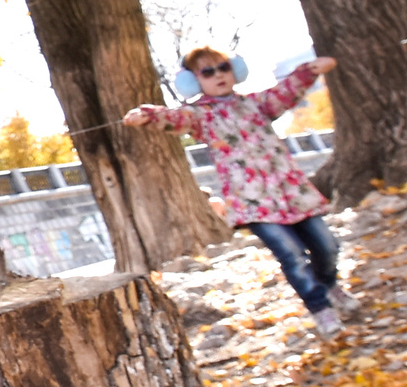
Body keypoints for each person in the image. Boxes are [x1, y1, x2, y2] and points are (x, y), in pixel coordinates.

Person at [125, 46, 357, 337]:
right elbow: (174, 117)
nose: (218, 75)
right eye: (207, 72)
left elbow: (284, 92)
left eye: (223, 67)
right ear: (194, 81)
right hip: (253, 203)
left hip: (292, 193)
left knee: (327, 246)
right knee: (292, 256)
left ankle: (329, 284)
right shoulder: (200, 115)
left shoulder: (256, 104)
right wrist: (147, 115)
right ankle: (321, 310)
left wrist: (308, 71)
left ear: (235, 69)